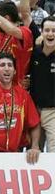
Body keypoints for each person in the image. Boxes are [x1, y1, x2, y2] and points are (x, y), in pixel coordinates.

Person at [0, 17, 41, 164]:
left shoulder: (22, 94)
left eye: (10, 65)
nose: (6, 68)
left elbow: (35, 124)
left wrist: (35, 146)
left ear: (14, 71)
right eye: (2, 65)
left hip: (12, 158)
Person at [30, 17, 55, 152]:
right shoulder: (34, 53)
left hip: (53, 112)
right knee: (34, 152)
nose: (50, 34)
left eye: (54, 31)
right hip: (35, 110)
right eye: (47, 30)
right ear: (42, 32)